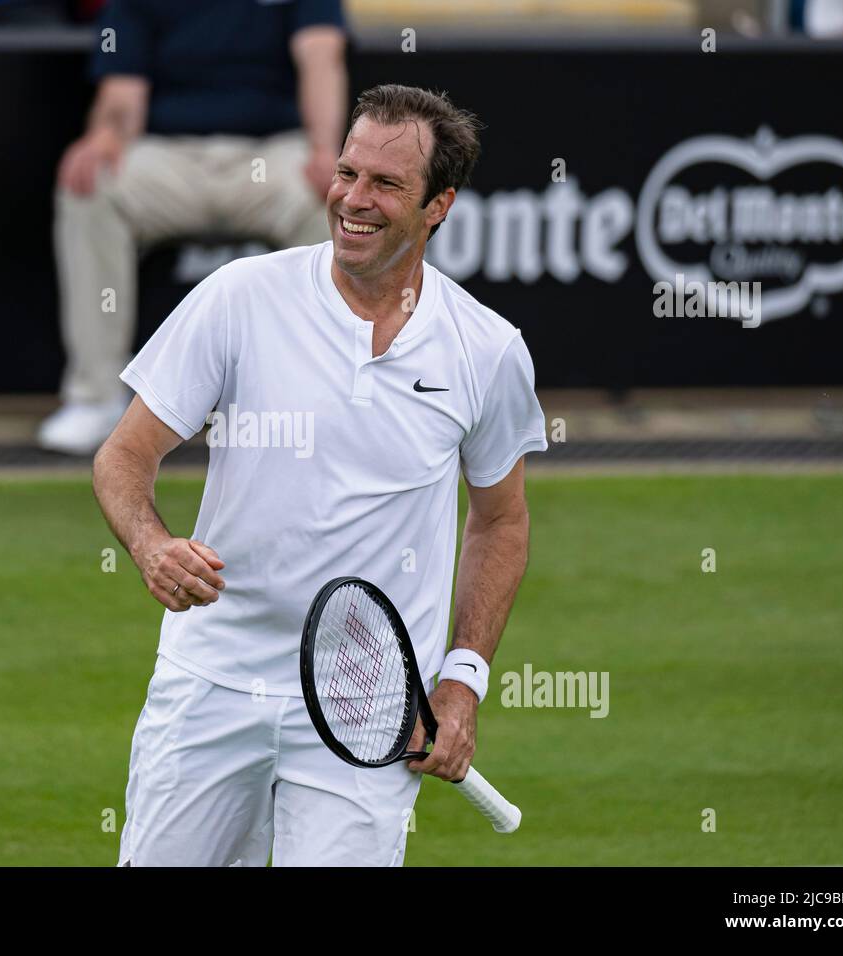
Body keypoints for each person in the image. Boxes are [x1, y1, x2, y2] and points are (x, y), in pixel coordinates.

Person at [92, 84, 549, 866]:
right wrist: (150, 544)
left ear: (438, 206)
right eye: (347, 173)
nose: (353, 199)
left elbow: (501, 519)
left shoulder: (488, 350)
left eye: (386, 184)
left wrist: (463, 680)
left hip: (369, 708)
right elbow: (124, 456)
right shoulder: (238, 298)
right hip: (211, 682)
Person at [39, 0, 348, 454]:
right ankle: (96, 396)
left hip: (273, 155)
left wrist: (326, 150)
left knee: (335, 199)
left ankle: (319, 402)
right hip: (169, 156)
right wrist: (105, 135)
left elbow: (320, 57)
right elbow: (123, 91)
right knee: (91, 188)